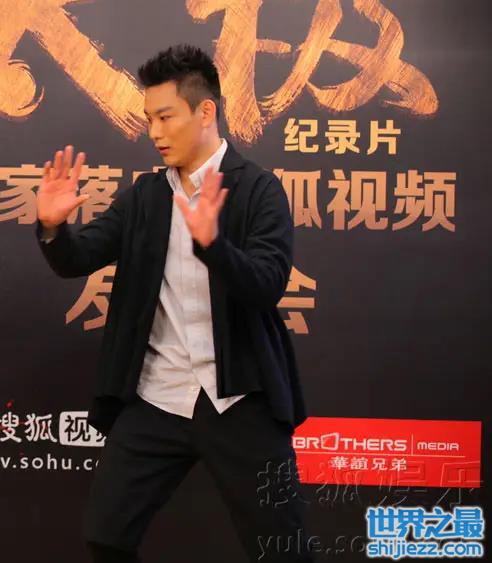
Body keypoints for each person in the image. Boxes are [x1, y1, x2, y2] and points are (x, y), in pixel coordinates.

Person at [36, 45, 311, 562]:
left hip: (239, 400)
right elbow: (77, 258)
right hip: (158, 398)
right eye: (149, 119)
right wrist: (54, 227)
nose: (155, 132)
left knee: (282, 547)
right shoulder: (145, 197)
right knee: (105, 534)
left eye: (166, 117)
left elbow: (267, 285)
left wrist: (214, 245)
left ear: (205, 111)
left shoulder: (258, 190)